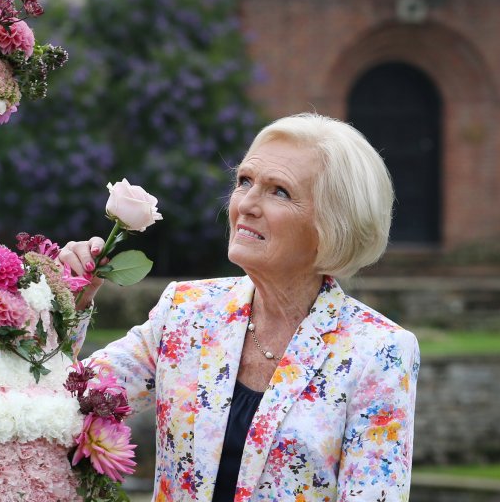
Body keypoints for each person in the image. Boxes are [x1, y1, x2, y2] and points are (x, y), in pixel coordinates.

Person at [59, 113, 420, 502]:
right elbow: (66, 399)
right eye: (245, 181)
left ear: (333, 225)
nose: (246, 204)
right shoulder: (186, 311)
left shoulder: (378, 351)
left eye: (279, 191)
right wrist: (71, 303)